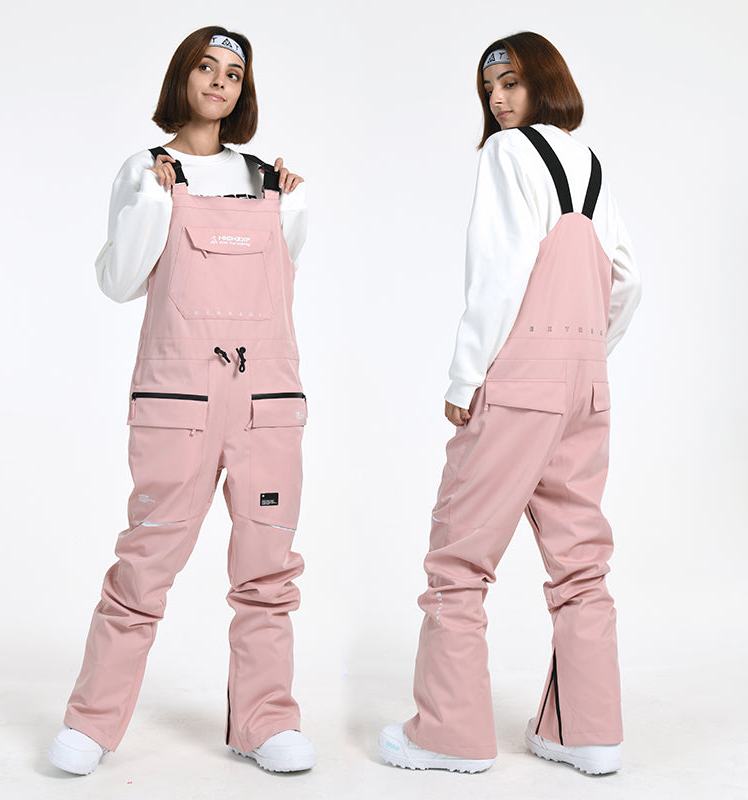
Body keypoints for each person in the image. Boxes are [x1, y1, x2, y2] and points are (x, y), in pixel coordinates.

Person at [47, 26, 315, 775]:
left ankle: (265, 723)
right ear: (183, 76)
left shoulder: (272, 180)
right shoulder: (145, 169)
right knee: (147, 560)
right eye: (206, 66)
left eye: (234, 72)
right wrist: (155, 202)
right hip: (179, 398)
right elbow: (120, 281)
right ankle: (92, 722)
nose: (220, 81)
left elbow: (284, 278)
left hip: (267, 399)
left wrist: (291, 204)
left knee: (268, 566)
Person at [378, 31, 641, 776]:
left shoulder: (506, 153)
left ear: (544, 82)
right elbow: (629, 280)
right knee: (581, 564)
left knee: (459, 558)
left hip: (520, 382)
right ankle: (588, 733)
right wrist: (586, 352)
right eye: (489, 87)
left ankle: (448, 735)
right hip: (586, 386)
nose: (497, 99)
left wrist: (465, 380)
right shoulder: (590, 164)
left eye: (512, 82)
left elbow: (498, 273)